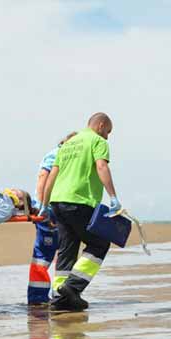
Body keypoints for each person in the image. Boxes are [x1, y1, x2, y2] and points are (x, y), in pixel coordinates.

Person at [42, 112, 122, 312]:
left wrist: (45, 203)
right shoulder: (97, 141)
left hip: (58, 202)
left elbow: (53, 173)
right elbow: (101, 166)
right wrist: (113, 196)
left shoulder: (69, 143)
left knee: (67, 250)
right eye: (108, 132)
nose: (107, 136)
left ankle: (60, 300)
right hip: (80, 200)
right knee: (100, 243)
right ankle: (72, 287)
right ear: (101, 125)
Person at [26, 132, 77, 305]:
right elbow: (43, 178)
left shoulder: (65, 156)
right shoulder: (56, 154)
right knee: (43, 255)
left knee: (61, 252)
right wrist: (43, 207)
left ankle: (58, 294)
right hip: (48, 210)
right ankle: (37, 298)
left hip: (57, 209)